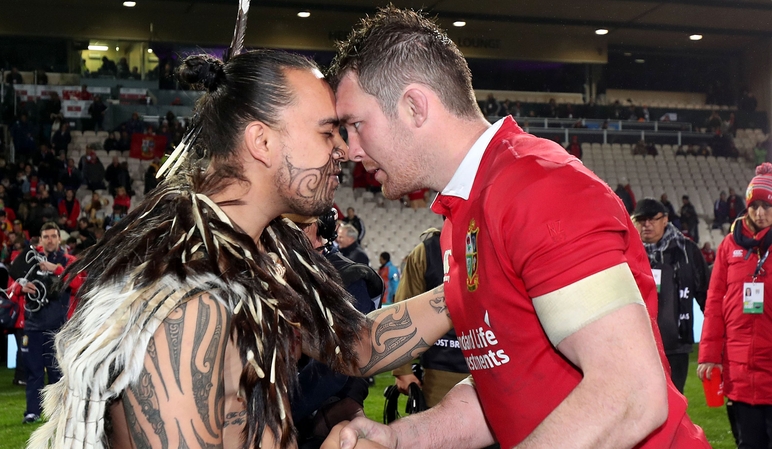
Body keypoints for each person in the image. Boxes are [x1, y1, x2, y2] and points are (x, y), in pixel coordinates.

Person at [325, 6, 708, 448]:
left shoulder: (537, 187)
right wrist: (398, 439)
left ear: (414, 106)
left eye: (356, 125)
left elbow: (629, 394)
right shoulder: (465, 212)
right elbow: (501, 388)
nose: (350, 149)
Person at [27, 48, 368, 449]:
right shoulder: (187, 303)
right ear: (262, 141)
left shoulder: (262, 262)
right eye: (327, 132)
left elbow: (358, 345)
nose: (342, 148)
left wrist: (457, 291)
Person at [287, 210, 383, 448]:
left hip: (317, 413)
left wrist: (282, 411)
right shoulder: (283, 269)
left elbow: (343, 365)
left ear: (317, 228)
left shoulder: (350, 278)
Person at [699, 162, 772, 449]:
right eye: (755, 206)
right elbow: (714, 302)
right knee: (748, 444)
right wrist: (708, 354)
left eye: (767, 206)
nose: (760, 213)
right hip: (738, 369)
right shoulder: (729, 246)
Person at [631, 198, 709, 393]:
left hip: (676, 344)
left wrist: (714, 339)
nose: (646, 225)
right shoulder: (625, 252)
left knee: (673, 402)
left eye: (652, 219)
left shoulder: (687, 251)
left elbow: (706, 296)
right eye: (641, 220)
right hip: (634, 343)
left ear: (665, 220)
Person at [391, 227, 470, 408]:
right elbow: (405, 310)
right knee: (443, 433)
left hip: (495, 368)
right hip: (441, 369)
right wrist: (402, 369)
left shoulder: (497, 242)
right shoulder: (427, 251)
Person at [13, 222, 82, 423]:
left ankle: (58, 415)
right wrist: (21, 289)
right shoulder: (30, 260)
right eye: (46, 237)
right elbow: (12, 288)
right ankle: (32, 412)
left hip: (57, 327)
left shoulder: (68, 260)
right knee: (33, 372)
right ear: (41, 240)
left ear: (59, 239)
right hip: (33, 325)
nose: (50, 240)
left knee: (57, 374)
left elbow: (79, 283)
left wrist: (58, 269)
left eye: (53, 236)